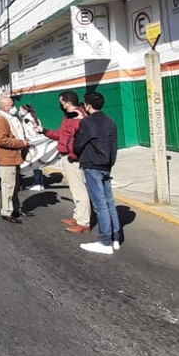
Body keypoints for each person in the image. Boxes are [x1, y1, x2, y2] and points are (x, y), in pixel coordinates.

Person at [73, 91, 121, 254]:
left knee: (100, 205)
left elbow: (78, 144)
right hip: (107, 165)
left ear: (88, 106)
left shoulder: (87, 122)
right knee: (109, 202)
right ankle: (115, 238)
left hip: (92, 164)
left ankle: (105, 242)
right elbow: (114, 144)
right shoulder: (110, 121)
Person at [37, 91, 90, 234]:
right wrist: (44, 131)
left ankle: (84, 221)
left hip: (74, 157)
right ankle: (78, 216)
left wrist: (73, 155)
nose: (61, 105)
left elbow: (80, 138)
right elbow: (62, 135)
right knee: (75, 188)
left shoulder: (79, 117)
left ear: (67, 102)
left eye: (61, 102)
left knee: (79, 189)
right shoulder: (69, 116)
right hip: (67, 155)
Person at [0, 95, 32, 224]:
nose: (14, 107)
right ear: (5, 107)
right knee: (8, 185)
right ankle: (6, 211)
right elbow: (1, 140)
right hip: (7, 157)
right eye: (11, 105)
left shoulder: (11, 118)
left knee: (15, 185)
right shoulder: (1, 120)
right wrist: (21, 143)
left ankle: (15, 208)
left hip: (15, 156)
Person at [19, 104, 45, 191]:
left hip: (33, 143)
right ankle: (40, 183)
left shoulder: (27, 119)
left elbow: (31, 131)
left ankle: (37, 183)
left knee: (35, 163)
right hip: (39, 142)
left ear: (25, 111)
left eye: (21, 110)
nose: (20, 112)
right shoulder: (35, 117)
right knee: (39, 163)